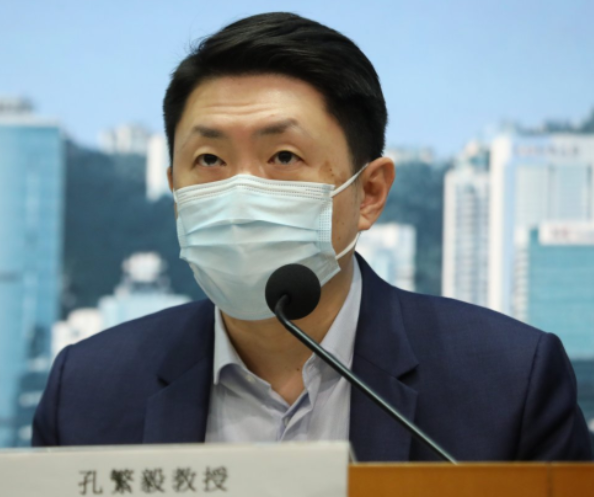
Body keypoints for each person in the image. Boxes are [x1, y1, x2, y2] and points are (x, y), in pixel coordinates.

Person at [32, 12, 592, 461]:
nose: (241, 191)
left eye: (283, 156)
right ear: (175, 190)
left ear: (369, 192)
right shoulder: (86, 391)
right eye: (209, 159)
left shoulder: (510, 382)